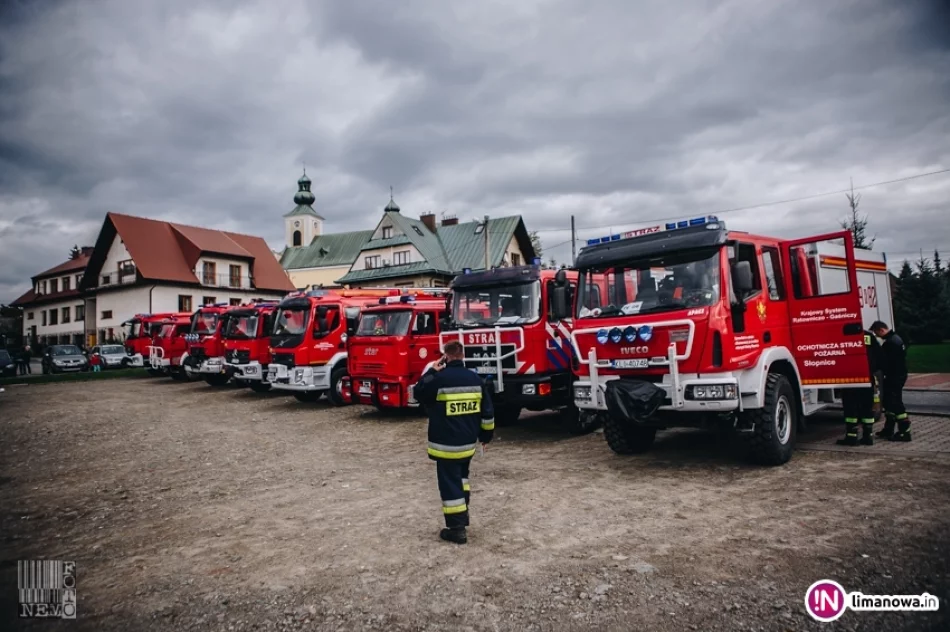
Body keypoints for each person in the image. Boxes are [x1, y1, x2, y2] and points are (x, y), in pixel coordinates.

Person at [413, 341, 494, 545]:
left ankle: (457, 530)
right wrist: (486, 437)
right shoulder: (475, 379)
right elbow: (487, 412)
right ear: (463, 355)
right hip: (468, 445)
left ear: (445, 357)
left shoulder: (438, 379)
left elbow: (418, 393)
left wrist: (431, 370)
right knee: (462, 479)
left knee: (450, 485)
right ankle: (463, 513)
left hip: (446, 445)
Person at [837, 329, 881, 446]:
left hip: (850, 378)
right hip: (867, 377)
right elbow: (879, 356)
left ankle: (852, 437)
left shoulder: (843, 335)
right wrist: (871, 370)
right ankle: (868, 436)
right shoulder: (869, 336)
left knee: (851, 407)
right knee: (867, 407)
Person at [871, 321, 910, 441]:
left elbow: (886, 362)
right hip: (897, 376)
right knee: (888, 404)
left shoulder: (890, 343)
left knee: (896, 404)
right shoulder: (896, 339)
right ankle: (888, 429)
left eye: (877, 333)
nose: (877, 336)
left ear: (881, 330)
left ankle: (905, 432)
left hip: (894, 377)